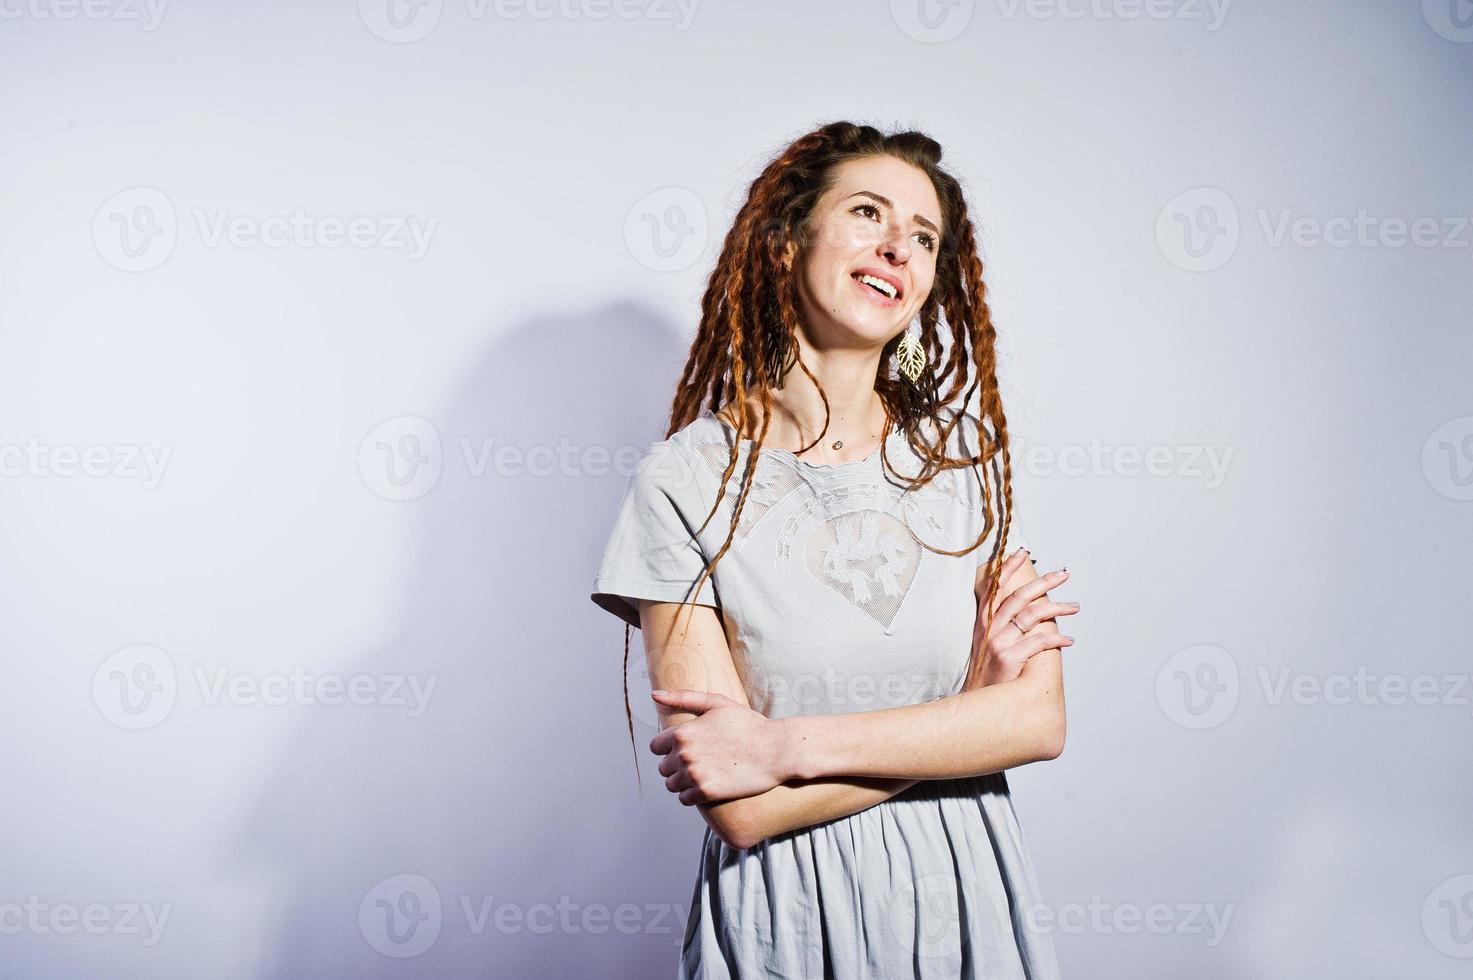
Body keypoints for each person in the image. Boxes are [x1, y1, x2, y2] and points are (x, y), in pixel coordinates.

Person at [590, 120, 1079, 979]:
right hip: (789, 917)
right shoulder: (681, 483)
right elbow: (738, 810)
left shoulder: (961, 460)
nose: (897, 247)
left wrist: (785, 748)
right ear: (784, 244)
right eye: (867, 213)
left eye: (923, 238)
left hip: (965, 898)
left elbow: (1036, 722)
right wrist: (966, 715)